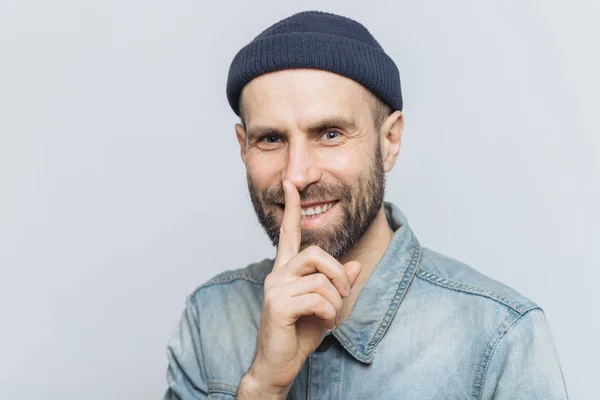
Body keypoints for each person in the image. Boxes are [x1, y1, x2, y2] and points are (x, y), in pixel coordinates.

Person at [163, 10, 568, 399]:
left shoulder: (500, 337)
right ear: (242, 147)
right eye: (271, 139)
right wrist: (262, 390)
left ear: (389, 141)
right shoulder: (209, 318)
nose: (298, 175)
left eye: (331, 134)